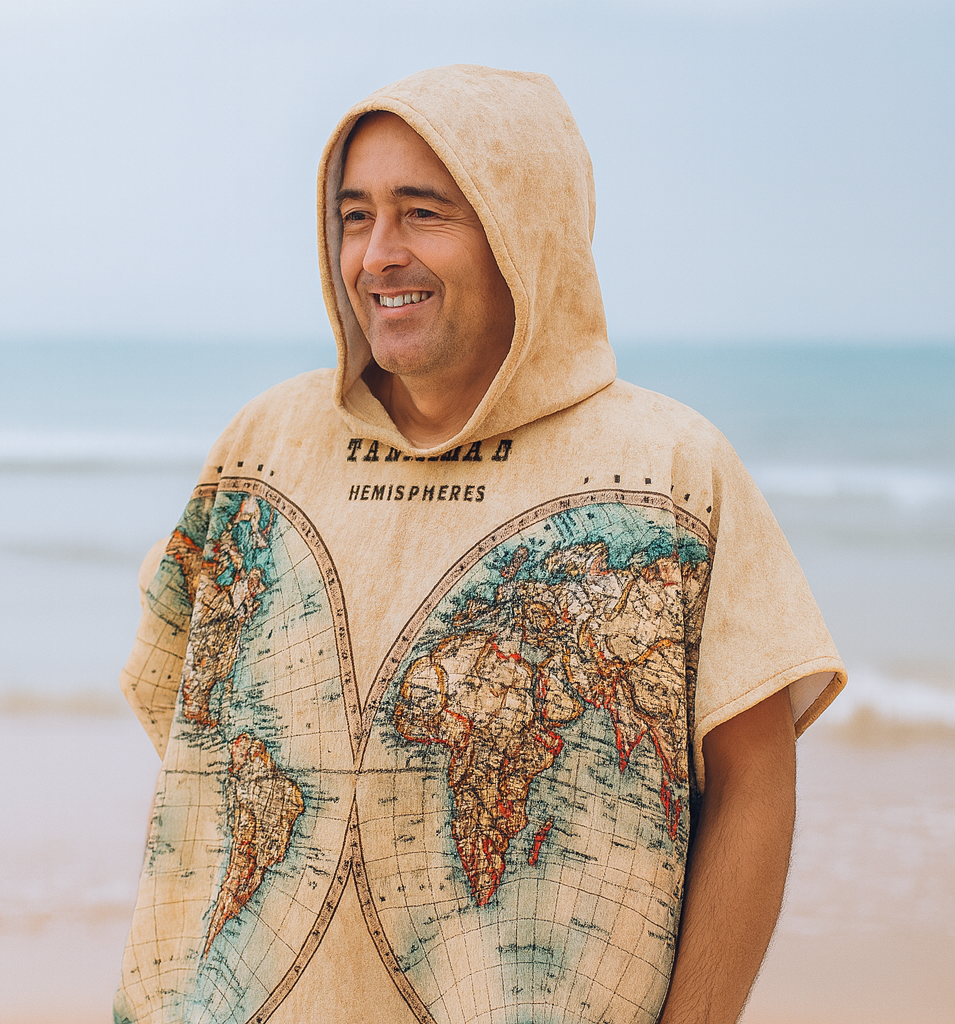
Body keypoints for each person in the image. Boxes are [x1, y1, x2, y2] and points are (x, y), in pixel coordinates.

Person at [114, 65, 845, 1024]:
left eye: (423, 213)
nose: (378, 255)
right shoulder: (267, 447)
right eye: (354, 215)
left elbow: (756, 779)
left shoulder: (668, 468)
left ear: (523, 232)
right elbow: (197, 733)